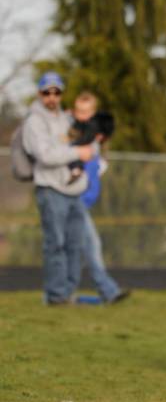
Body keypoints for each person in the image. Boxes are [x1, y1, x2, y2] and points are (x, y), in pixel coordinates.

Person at [21, 72, 97, 305]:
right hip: (50, 189)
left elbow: (86, 139)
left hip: (74, 191)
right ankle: (56, 296)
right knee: (56, 244)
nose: (52, 97)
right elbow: (45, 155)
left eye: (56, 92)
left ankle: (68, 292)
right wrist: (76, 153)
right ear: (40, 93)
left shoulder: (66, 119)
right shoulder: (34, 121)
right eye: (47, 92)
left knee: (75, 244)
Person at [71, 91, 129, 305]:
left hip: (84, 203)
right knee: (92, 245)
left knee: (77, 249)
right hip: (74, 201)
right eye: (78, 111)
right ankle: (108, 291)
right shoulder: (75, 136)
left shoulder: (94, 139)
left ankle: (65, 294)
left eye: (86, 111)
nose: (82, 115)